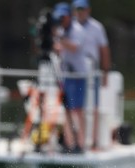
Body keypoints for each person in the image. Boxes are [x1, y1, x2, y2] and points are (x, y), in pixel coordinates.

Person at [72, 0, 111, 149]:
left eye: (82, 9)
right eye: (77, 9)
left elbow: (104, 49)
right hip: (74, 72)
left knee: (94, 107)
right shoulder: (70, 27)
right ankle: (77, 140)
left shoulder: (96, 27)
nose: (80, 12)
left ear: (88, 10)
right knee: (75, 107)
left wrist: (105, 71)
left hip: (91, 71)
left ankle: (94, 141)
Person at [52, 2, 87, 153]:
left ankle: (81, 143)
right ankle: (69, 143)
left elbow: (74, 47)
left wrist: (59, 39)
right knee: (66, 110)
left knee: (77, 110)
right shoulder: (60, 31)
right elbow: (59, 49)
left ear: (69, 17)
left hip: (78, 75)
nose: (61, 20)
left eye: (63, 17)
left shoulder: (78, 30)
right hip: (65, 75)